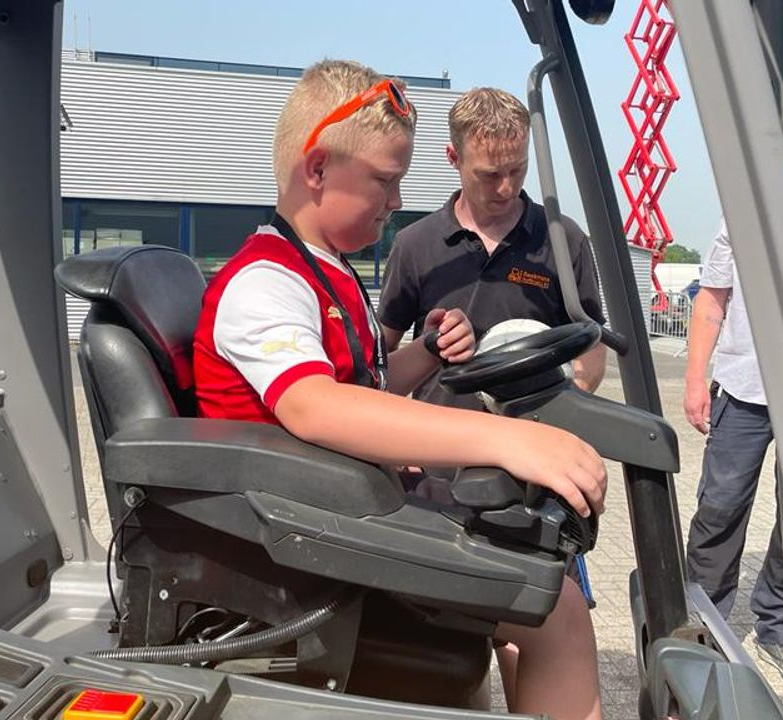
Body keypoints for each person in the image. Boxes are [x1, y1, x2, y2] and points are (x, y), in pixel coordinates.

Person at [192, 60, 605, 720]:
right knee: (555, 607)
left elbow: (368, 384)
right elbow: (316, 404)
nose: (396, 202)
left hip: (347, 512)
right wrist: (509, 437)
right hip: (301, 551)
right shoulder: (264, 282)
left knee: (539, 571)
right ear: (318, 169)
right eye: (384, 182)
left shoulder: (327, 273)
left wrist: (430, 350)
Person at [377, 86, 607, 413]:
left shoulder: (562, 237)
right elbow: (382, 352)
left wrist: (566, 401)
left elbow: (593, 343)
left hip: (530, 444)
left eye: (517, 169)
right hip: (436, 450)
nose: (507, 188)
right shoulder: (414, 244)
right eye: (490, 174)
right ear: (453, 158)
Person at [682, 217, 783, 682]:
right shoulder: (740, 213)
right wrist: (694, 376)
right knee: (720, 507)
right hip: (743, 387)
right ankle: (703, 619)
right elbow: (712, 297)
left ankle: (779, 623)